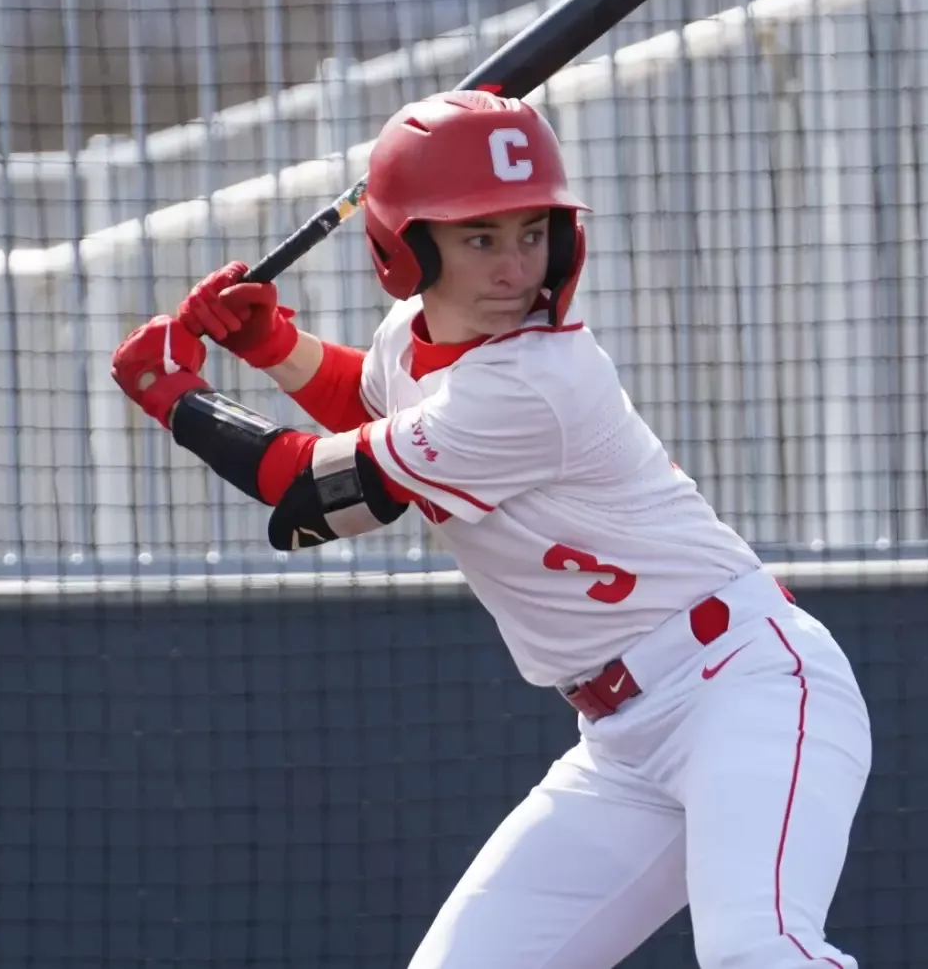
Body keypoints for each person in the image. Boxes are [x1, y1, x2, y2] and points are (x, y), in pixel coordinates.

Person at [110, 90, 872, 969]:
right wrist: (273, 343)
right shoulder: (416, 339)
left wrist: (178, 397)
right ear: (407, 250)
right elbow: (376, 401)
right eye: (479, 238)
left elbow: (315, 498)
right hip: (624, 742)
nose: (515, 267)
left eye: (530, 232)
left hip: (745, 689)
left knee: (760, 953)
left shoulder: (538, 380)